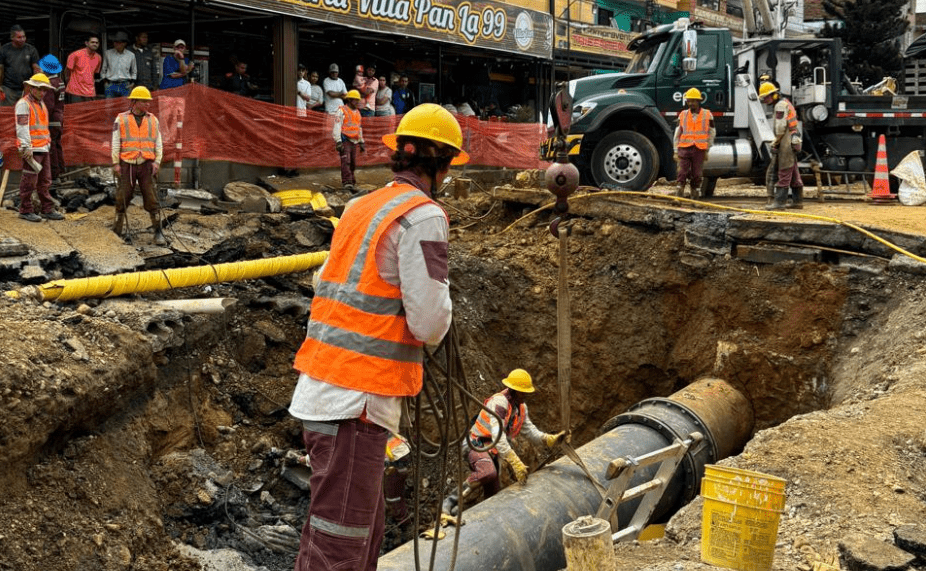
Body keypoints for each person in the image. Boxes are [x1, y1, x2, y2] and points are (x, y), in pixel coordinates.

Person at [288, 102, 468, 571]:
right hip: (356, 403)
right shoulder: (424, 216)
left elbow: (328, 283)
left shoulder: (359, 206)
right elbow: (429, 322)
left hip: (326, 391)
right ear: (441, 164)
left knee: (351, 538)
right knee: (340, 549)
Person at [440, 369, 566, 516]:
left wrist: (549, 439)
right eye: (523, 392)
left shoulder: (520, 408)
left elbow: (530, 432)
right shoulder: (499, 403)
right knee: (488, 472)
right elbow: (497, 436)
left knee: (493, 495)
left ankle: (460, 513)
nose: (526, 395)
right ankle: (450, 501)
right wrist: (515, 461)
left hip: (492, 450)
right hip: (476, 444)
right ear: (514, 390)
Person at [111, 86, 165, 245]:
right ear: (134, 102)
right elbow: (116, 142)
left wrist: (157, 162)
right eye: (144, 101)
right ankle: (117, 229)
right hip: (127, 163)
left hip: (146, 164)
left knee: (151, 197)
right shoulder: (120, 119)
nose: (148, 104)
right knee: (123, 195)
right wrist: (116, 163)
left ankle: (158, 231)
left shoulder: (153, 120)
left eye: (148, 101)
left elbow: (158, 143)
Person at [14, 73, 65, 222]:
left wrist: (47, 144)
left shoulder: (41, 103)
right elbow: (22, 127)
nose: (42, 92)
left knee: (45, 181)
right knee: (29, 181)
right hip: (32, 149)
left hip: (43, 147)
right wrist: (26, 147)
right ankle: (25, 209)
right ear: (32, 88)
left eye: (44, 90)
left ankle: (47, 209)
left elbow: (42, 126)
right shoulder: (24, 104)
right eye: (40, 89)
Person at [760, 82, 803, 210]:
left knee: (784, 170)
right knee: (793, 171)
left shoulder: (779, 106)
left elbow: (780, 128)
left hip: (786, 140)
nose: (764, 100)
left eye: (766, 97)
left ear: (773, 95)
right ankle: (797, 201)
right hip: (793, 137)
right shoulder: (786, 102)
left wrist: (775, 143)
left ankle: (779, 203)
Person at [673, 87, 715, 199]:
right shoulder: (682, 115)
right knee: (682, 172)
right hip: (684, 148)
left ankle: (695, 194)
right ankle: (679, 194)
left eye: (693, 101)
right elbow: (677, 133)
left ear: (698, 101)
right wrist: (675, 151)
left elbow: (712, 132)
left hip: (699, 149)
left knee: (697, 174)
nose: (691, 103)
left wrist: (707, 148)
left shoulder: (707, 115)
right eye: (689, 101)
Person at [38, 55, 65, 184]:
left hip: (51, 119)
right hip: (59, 117)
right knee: (57, 144)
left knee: (51, 147)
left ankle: (54, 175)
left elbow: (48, 106)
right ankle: (61, 171)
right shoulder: (59, 81)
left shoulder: (49, 84)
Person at [0, 25, 41, 107]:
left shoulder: (31, 49)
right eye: (19, 37)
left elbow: (36, 69)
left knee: (26, 112)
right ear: (12, 38)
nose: (22, 39)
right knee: (7, 114)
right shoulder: (4, 50)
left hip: (26, 88)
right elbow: (0, 69)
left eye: (24, 36)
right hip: (8, 89)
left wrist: (35, 86)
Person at [333, 89, 364, 191]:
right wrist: (338, 141)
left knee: (353, 162)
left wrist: (361, 141)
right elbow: (337, 126)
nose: (358, 102)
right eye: (356, 100)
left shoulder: (358, 113)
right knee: (346, 161)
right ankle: (347, 182)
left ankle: (352, 181)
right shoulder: (342, 111)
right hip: (345, 140)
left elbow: (359, 127)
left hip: (354, 141)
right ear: (350, 100)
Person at [65, 34, 101, 103]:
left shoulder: (98, 57)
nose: (95, 44)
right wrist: (69, 84)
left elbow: (94, 74)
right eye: (92, 42)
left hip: (90, 92)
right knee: (76, 112)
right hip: (75, 91)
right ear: (86, 43)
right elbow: (67, 71)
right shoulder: (76, 55)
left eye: (97, 43)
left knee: (89, 112)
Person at [100, 31, 137, 98]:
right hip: (111, 84)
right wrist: (105, 82)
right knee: (109, 107)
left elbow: (134, 71)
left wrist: (132, 83)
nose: (116, 44)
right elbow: (103, 69)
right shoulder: (108, 53)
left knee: (125, 107)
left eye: (118, 42)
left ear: (124, 43)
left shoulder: (131, 55)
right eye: (115, 42)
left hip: (125, 85)